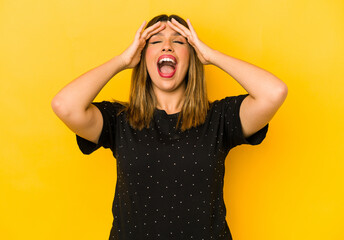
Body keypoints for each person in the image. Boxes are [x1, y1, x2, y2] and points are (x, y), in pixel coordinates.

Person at [51, 14, 287, 240]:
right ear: (142, 58)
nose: (166, 46)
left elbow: (273, 93)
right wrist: (122, 61)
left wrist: (211, 55)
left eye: (178, 41)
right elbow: (65, 105)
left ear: (191, 56)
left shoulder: (219, 118)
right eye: (155, 41)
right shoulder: (119, 121)